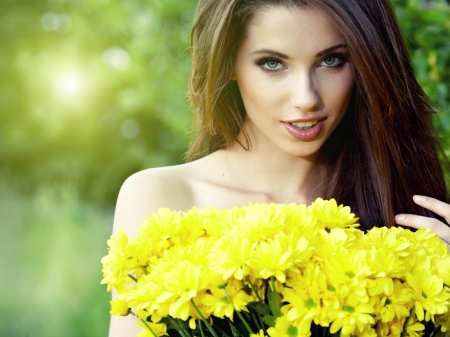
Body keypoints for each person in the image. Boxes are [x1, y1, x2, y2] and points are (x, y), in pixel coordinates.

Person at [108, 0, 450, 335]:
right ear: (228, 62)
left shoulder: (397, 198)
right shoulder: (163, 199)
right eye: (273, 63)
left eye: (331, 60)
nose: (306, 97)